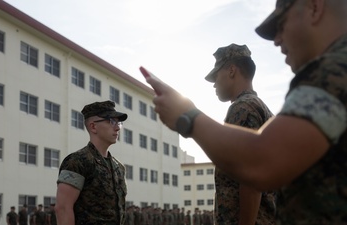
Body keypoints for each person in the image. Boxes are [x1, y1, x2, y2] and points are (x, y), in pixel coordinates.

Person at [142, 0, 347, 223]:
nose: (277, 41)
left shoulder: (333, 72)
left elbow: (261, 164)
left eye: (281, 24)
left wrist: (188, 117)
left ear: (314, 8)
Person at [205, 43, 276, 225]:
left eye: (216, 76)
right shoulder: (259, 106)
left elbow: (250, 180)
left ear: (231, 70)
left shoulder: (242, 108)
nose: (214, 84)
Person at [55, 100, 128, 225]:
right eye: (111, 121)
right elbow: (63, 209)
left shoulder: (118, 167)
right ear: (93, 126)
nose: (117, 127)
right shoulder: (77, 161)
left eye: (118, 123)